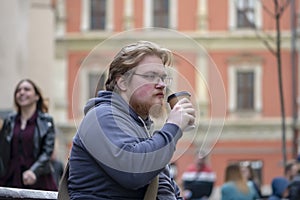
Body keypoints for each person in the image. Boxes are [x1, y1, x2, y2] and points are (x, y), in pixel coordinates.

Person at [67, 41, 196, 199]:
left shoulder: (138, 126)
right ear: (122, 82)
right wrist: (173, 126)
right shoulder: (101, 117)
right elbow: (134, 172)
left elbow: (164, 188)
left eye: (163, 78)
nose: (161, 85)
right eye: (150, 76)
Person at [0, 79, 57, 191]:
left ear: (36, 96)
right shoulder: (9, 121)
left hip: (38, 179)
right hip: (11, 179)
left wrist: (33, 171)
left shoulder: (46, 121)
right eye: (18, 90)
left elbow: (47, 152)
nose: (21, 92)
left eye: (27, 89)